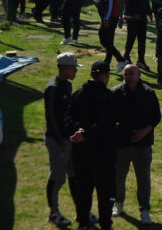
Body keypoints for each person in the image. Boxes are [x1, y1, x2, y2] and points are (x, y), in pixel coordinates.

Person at [66, 61, 116, 230]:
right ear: (105, 76)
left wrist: (78, 130)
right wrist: (87, 133)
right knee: (104, 192)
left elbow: (67, 118)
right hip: (103, 153)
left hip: (81, 153)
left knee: (84, 190)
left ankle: (84, 223)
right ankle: (105, 225)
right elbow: (107, 125)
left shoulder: (77, 94)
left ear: (91, 75)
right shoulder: (108, 96)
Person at [111, 64, 161, 224]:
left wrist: (145, 131)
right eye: (126, 74)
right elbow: (108, 115)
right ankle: (118, 203)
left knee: (143, 179)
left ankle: (144, 210)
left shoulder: (148, 93)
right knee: (118, 177)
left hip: (143, 145)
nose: (128, 77)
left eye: (131, 73)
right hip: (121, 144)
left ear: (139, 75)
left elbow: (156, 117)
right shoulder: (116, 93)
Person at [44, 53, 82, 227]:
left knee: (74, 175)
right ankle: (54, 213)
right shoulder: (53, 88)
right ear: (65, 67)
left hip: (68, 139)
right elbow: (51, 116)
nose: (75, 70)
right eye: (74, 67)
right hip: (57, 140)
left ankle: (81, 210)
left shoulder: (67, 85)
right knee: (57, 177)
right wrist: (60, 139)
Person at [123, 0, 153, 72]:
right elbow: (127, 0)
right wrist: (133, 13)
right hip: (132, 16)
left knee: (142, 38)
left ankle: (141, 60)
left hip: (142, 14)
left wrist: (149, 12)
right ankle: (126, 57)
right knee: (131, 37)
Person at [96, 0, 124, 70]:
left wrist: (106, 19)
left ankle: (121, 59)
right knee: (108, 41)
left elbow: (111, 4)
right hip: (108, 17)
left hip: (110, 18)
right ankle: (107, 62)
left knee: (104, 40)